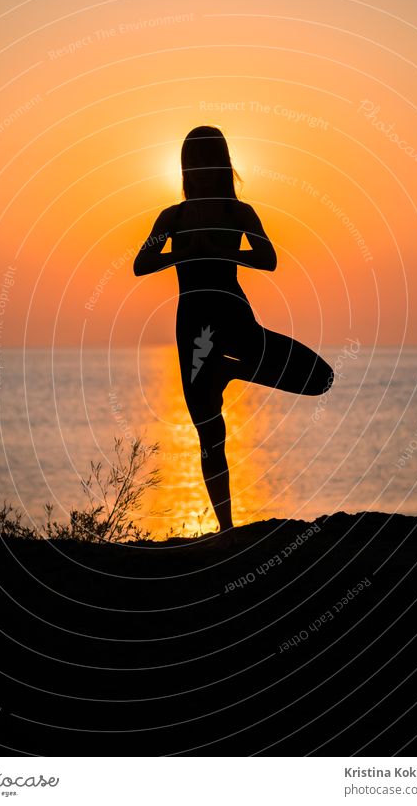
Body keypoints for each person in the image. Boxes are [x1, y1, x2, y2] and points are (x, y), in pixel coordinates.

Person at [134, 126, 333, 533]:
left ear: (221, 164)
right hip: (192, 328)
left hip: (234, 316)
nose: (202, 170)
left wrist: (223, 251)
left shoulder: (239, 213)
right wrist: (183, 252)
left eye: (209, 161)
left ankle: (233, 369)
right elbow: (141, 262)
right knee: (210, 434)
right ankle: (226, 529)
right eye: (194, 162)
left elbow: (268, 257)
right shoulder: (172, 217)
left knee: (322, 379)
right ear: (187, 168)